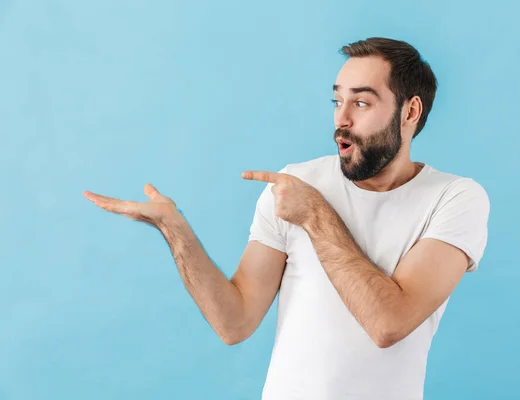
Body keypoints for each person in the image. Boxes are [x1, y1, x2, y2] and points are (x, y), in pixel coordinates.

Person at [83, 37, 490, 400]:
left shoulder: (454, 199)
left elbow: (388, 324)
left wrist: (314, 214)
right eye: (337, 101)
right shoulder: (295, 183)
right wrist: (175, 231)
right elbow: (235, 322)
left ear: (410, 111)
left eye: (362, 102)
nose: (341, 118)